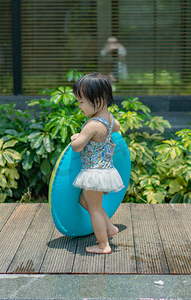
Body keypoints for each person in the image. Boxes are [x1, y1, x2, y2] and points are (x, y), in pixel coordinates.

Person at [70, 72, 125, 254]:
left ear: (98, 99)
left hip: (93, 172)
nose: (79, 106)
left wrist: (75, 137)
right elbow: (116, 127)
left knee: (93, 209)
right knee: (85, 201)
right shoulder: (108, 118)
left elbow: (77, 146)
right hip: (106, 170)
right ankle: (109, 228)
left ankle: (103, 245)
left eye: (81, 102)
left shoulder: (92, 124)